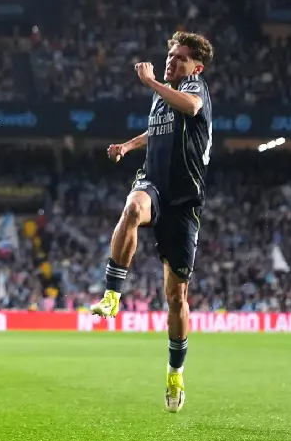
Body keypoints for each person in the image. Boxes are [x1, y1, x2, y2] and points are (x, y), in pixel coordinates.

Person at [90, 31, 215, 413]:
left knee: (175, 298)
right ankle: (112, 295)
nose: (171, 62)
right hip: (154, 184)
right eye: (170, 56)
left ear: (196, 65)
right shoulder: (162, 97)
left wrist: (151, 82)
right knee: (131, 210)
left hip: (183, 201)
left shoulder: (196, 88)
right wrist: (129, 145)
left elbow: (191, 108)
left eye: (179, 58)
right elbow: (159, 129)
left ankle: (175, 371)